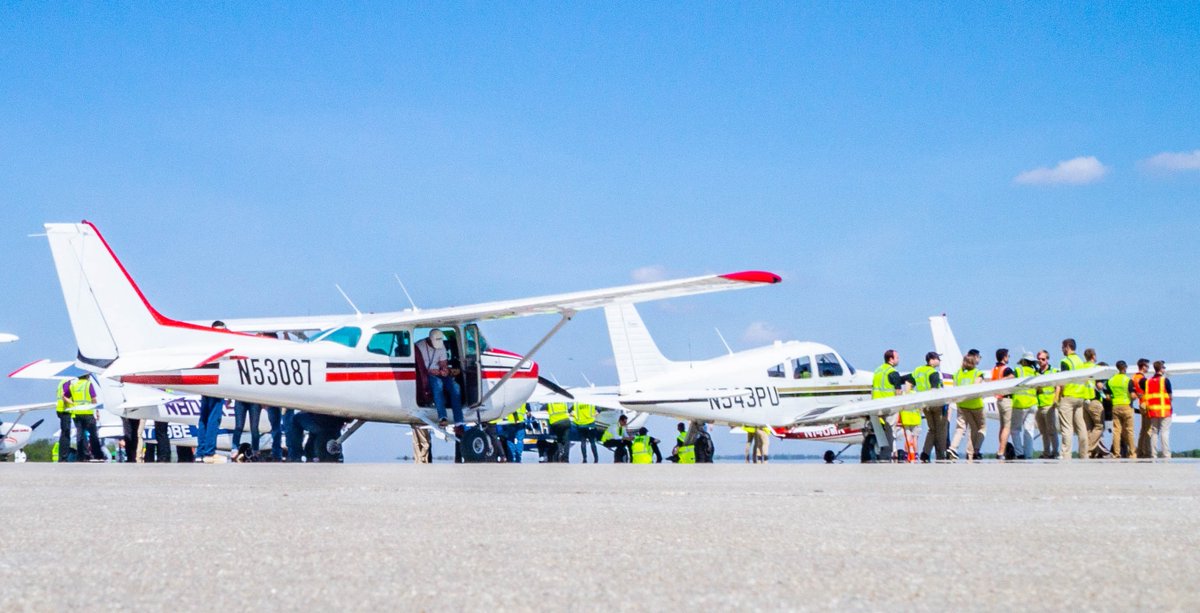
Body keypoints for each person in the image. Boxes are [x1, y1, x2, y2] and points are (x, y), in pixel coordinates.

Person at [196, 321, 228, 464]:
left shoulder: (205, 344)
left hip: (204, 384)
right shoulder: (221, 346)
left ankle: (200, 452)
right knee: (214, 419)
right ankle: (209, 453)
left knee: (204, 418)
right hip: (216, 384)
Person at [416, 329, 463, 428]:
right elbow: (420, 367)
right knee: (438, 384)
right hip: (426, 374)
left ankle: (459, 420)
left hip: (439, 373)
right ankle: (442, 417)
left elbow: (443, 363)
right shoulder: (420, 346)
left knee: (455, 387)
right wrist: (431, 371)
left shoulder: (441, 346)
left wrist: (444, 370)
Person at [1055, 338, 1090, 460]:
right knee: (1081, 427)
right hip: (1080, 396)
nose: (1061, 350)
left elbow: (1063, 379)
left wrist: (1059, 396)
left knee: (1067, 427)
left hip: (1068, 396)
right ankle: (1084, 453)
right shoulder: (1080, 361)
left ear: (1067, 347)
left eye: (1062, 347)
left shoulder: (1066, 361)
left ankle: (1066, 454)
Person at [870, 349, 907, 461]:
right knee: (891, 430)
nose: (898, 360)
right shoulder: (892, 372)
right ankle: (889, 453)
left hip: (876, 405)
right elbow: (898, 391)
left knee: (879, 431)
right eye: (897, 357)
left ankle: (881, 452)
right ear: (891, 359)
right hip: (888, 405)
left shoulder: (877, 371)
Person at [950, 353, 985, 460]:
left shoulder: (957, 374)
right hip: (975, 404)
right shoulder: (977, 373)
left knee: (963, 428)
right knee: (981, 428)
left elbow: (955, 387)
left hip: (962, 404)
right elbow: (976, 387)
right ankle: (974, 451)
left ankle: (954, 448)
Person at [915, 352, 946, 461]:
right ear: (931, 360)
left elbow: (909, 381)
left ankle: (926, 452)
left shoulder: (918, 371)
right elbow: (934, 389)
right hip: (935, 404)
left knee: (932, 429)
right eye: (938, 359)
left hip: (924, 404)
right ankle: (941, 454)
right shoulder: (933, 373)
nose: (939, 361)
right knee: (940, 429)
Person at [65, 374, 104, 462]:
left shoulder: (73, 385)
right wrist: (97, 410)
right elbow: (93, 398)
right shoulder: (88, 384)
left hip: (77, 413)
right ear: (87, 376)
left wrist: (73, 404)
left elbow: (65, 396)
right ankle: (97, 455)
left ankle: (82, 456)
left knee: (80, 435)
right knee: (93, 434)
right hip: (88, 412)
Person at [1009, 353, 1038, 459]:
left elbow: (1009, 379)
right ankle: (1029, 454)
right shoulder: (1035, 373)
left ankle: (1019, 453)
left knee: (1015, 430)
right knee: (1029, 430)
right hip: (1033, 403)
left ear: (1024, 361)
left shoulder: (1018, 370)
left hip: (1019, 403)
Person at [1080, 349, 1106, 458]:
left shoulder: (1081, 367)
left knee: (1088, 428)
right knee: (1100, 426)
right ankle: (1088, 448)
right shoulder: (1096, 369)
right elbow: (1099, 385)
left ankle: (1090, 452)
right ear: (1093, 356)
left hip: (1082, 399)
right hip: (1093, 398)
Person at [1107, 361, 1136, 459]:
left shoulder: (1111, 380)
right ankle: (1132, 453)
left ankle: (1116, 453)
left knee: (1116, 431)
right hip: (1126, 406)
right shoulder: (1128, 380)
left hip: (1115, 406)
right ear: (1125, 367)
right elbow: (1132, 395)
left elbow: (1107, 396)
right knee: (1129, 431)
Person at [990, 349, 1016, 459]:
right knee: (1007, 427)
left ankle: (1001, 449)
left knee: (1002, 426)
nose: (1008, 358)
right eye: (1008, 356)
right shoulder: (1006, 369)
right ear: (1004, 357)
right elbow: (1013, 377)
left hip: (998, 399)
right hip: (1006, 399)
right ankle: (1001, 451)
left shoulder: (995, 369)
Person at [1034, 350, 1060, 459]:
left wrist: (1055, 400)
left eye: (1043, 359)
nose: (1040, 361)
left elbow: (1058, 386)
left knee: (1052, 430)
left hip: (1049, 405)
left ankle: (1055, 452)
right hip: (1038, 405)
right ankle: (1046, 452)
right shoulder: (1035, 373)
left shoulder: (1053, 371)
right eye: (1039, 359)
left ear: (1047, 359)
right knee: (1043, 432)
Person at [1145, 361, 1172, 459]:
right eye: (1164, 367)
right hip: (1164, 410)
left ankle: (1153, 454)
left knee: (1154, 432)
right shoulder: (1165, 380)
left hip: (1153, 410)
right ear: (1161, 369)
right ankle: (1166, 454)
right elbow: (1170, 396)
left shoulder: (1148, 381)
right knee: (1165, 432)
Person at [1132, 359, 1152, 458]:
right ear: (1143, 366)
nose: (1148, 368)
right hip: (1146, 403)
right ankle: (1147, 451)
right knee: (1148, 429)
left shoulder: (1134, 377)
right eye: (1147, 366)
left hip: (1141, 403)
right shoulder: (1142, 379)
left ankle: (1139, 451)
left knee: (1143, 430)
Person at [54, 380, 72, 463]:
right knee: (66, 434)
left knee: (64, 433)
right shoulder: (67, 382)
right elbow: (64, 396)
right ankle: (63, 457)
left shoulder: (61, 381)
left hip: (61, 409)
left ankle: (63, 457)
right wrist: (74, 403)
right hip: (65, 410)